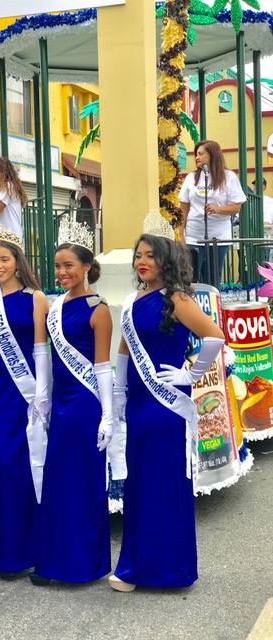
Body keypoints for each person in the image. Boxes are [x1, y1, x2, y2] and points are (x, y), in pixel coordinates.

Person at [109, 233, 225, 592]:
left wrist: (189, 373)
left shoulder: (176, 299)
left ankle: (170, 570)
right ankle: (134, 567)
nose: (142, 262)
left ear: (166, 261)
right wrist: (116, 394)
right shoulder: (133, 301)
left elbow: (215, 336)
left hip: (166, 405)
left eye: (150, 256)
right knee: (139, 485)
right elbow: (124, 351)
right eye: (138, 256)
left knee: (164, 484)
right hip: (138, 403)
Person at [31, 218, 114, 585]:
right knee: (58, 482)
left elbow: (103, 367)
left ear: (86, 267)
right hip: (61, 406)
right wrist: (43, 398)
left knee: (82, 483)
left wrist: (108, 416)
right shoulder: (54, 306)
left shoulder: (98, 309)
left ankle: (84, 565)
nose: (62, 272)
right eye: (58, 265)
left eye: (69, 265)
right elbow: (47, 357)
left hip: (84, 406)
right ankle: (55, 562)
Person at [0, 228, 50, 577]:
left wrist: (42, 395)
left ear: (19, 262)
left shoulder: (36, 298)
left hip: (24, 392)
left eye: (5, 259)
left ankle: (25, 548)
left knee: (21, 467)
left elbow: (39, 349)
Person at [179, 139, 246, 284]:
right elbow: (183, 209)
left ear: (213, 155)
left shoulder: (229, 177)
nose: (197, 157)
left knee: (212, 279)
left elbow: (237, 206)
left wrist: (218, 209)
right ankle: (194, 306)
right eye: (196, 154)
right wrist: (181, 235)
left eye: (201, 154)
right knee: (191, 279)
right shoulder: (191, 178)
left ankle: (212, 306)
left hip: (218, 239)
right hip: (193, 237)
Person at [0, 156, 27, 238]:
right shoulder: (4, 190)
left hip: (10, 237)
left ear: (4, 171)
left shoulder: (9, 186)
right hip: (5, 237)